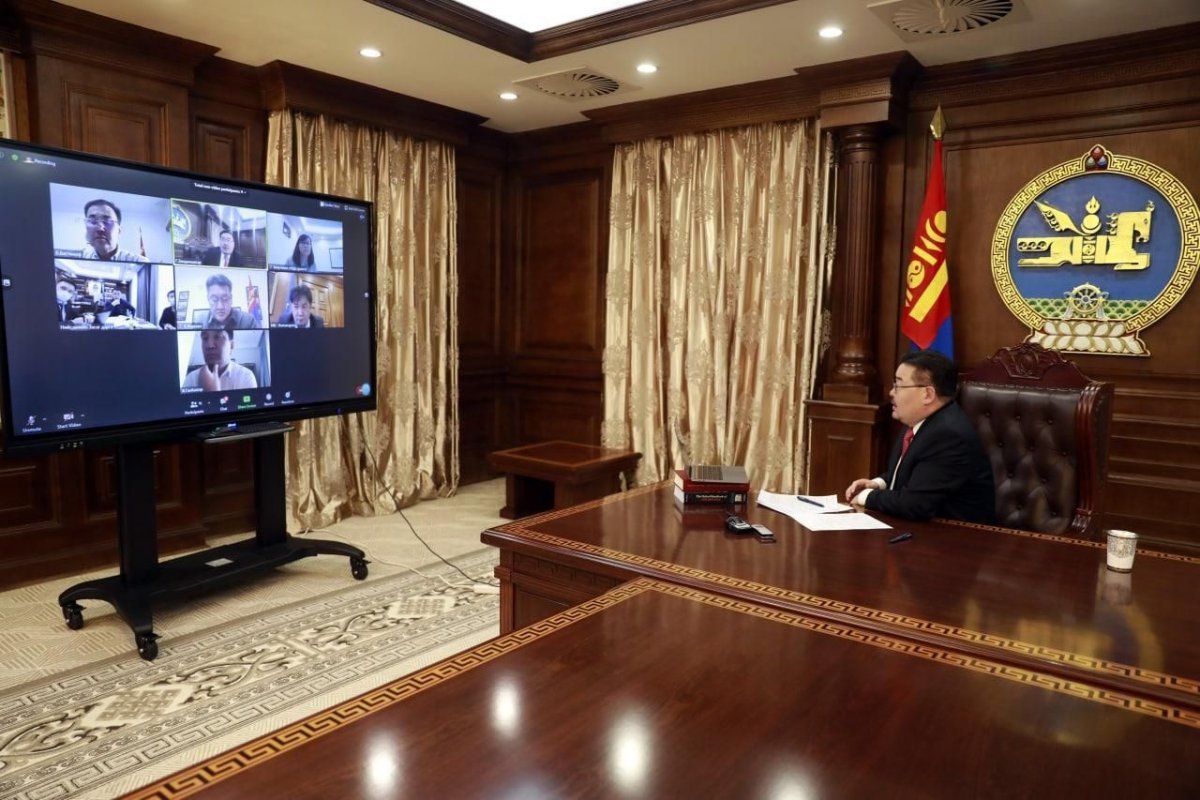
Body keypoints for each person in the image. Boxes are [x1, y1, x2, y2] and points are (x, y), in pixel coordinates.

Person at [843, 350, 995, 524]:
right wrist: (878, 483)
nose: (891, 392)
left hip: (956, 534)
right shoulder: (919, 421)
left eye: (898, 385)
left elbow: (915, 504)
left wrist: (867, 496)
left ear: (927, 394)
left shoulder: (947, 435)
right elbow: (913, 474)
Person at [182, 328, 257, 391]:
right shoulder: (191, 378)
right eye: (205, 338)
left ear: (231, 345)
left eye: (218, 337)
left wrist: (211, 393)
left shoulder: (246, 377)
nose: (210, 345)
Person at [80, 199, 149, 263]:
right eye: (92, 221)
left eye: (107, 222)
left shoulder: (140, 263)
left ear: (119, 231)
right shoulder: (79, 261)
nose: (100, 229)